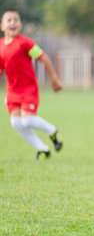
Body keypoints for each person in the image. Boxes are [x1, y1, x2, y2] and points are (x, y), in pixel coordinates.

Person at [0, 10, 64, 159]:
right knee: (16, 123)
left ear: (21, 25)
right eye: (9, 20)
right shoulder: (1, 46)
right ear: (2, 26)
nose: (12, 23)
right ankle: (42, 149)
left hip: (28, 88)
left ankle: (52, 131)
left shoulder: (25, 42)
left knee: (27, 120)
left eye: (16, 20)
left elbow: (44, 58)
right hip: (12, 90)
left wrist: (54, 79)